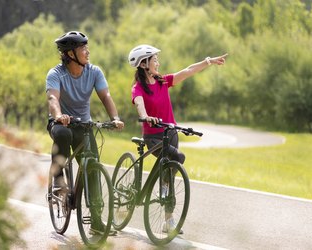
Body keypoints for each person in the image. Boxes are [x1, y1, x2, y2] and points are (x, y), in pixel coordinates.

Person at [128, 44, 227, 234]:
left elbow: (188, 71)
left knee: (170, 169)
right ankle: (163, 187)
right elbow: (139, 104)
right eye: (154, 59)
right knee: (177, 158)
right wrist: (146, 116)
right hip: (154, 137)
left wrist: (209, 62)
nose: (158, 62)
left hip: (170, 134)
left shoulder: (163, 82)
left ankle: (168, 219)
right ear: (143, 64)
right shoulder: (138, 88)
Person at [46, 31, 124, 235]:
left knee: (92, 169)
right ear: (70, 53)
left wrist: (115, 118)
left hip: (84, 125)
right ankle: (58, 177)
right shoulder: (56, 74)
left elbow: (105, 95)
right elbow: (53, 99)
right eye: (83, 48)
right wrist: (59, 115)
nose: (87, 52)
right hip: (61, 122)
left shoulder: (94, 72)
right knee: (63, 134)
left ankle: (96, 222)